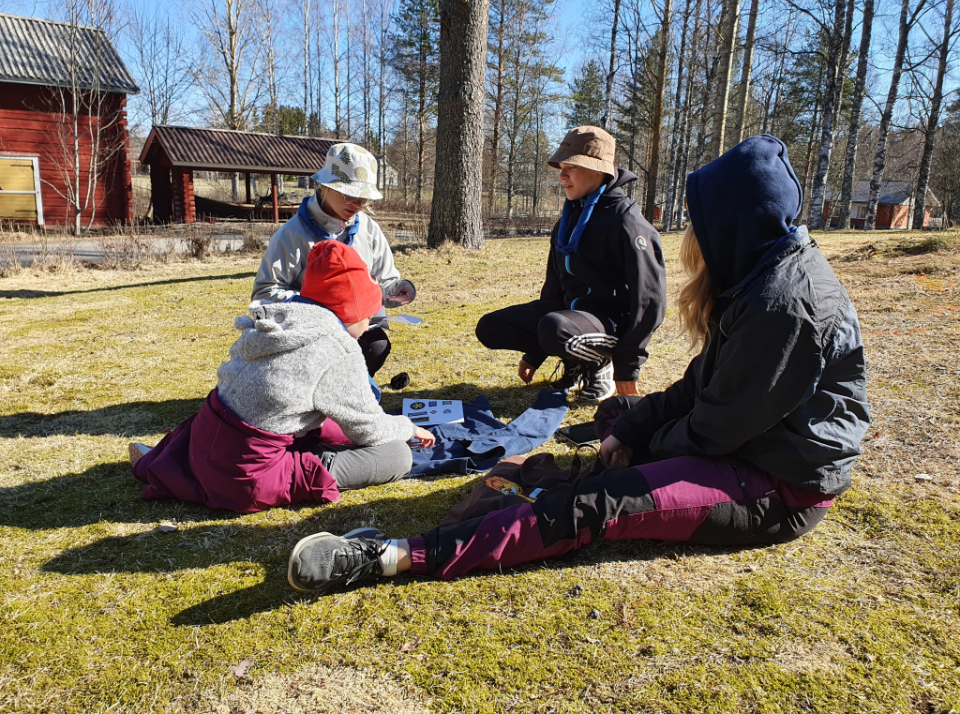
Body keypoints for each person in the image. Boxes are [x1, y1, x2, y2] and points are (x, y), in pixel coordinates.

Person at [285, 134, 871, 593]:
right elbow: (702, 385)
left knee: (602, 504)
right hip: (743, 444)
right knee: (620, 416)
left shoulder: (785, 307)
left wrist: (638, 452)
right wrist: (635, 428)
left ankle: (391, 556)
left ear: (731, 227)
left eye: (697, 222)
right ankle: (567, 469)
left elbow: (718, 427)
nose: (689, 234)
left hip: (774, 483)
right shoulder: (762, 277)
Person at [130, 240, 435, 514]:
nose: (369, 325)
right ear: (351, 311)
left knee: (327, 426)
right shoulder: (338, 346)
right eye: (369, 315)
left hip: (202, 445)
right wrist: (407, 428)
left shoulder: (283, 317)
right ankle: (310, 464)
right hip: (246, 476)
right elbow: (368, 429)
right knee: (396, 455)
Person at [475, 126, 666, 402]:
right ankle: (575, 363)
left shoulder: (627, 223)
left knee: (555, 328)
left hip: (610, 324)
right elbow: (553, 289)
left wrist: (628, 367)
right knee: (490, 327)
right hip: (570, 320)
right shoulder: (567, 220)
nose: (562, 175)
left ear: (599, 171)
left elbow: (651, 301)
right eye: (561, 167)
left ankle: (600, 364)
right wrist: (534, 353)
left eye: (571, 167)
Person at [252, 142, 415, 376]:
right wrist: (320, 308)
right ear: (324, 187)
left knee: (376, 347)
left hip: (356, 328)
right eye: (351, 196)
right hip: (306, 332)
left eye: (364, 199)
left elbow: (385, 278)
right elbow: (264, 294)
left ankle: (348, 400)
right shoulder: (291, 234)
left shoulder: (368, 229)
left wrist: (397, 289)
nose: (358, 206)